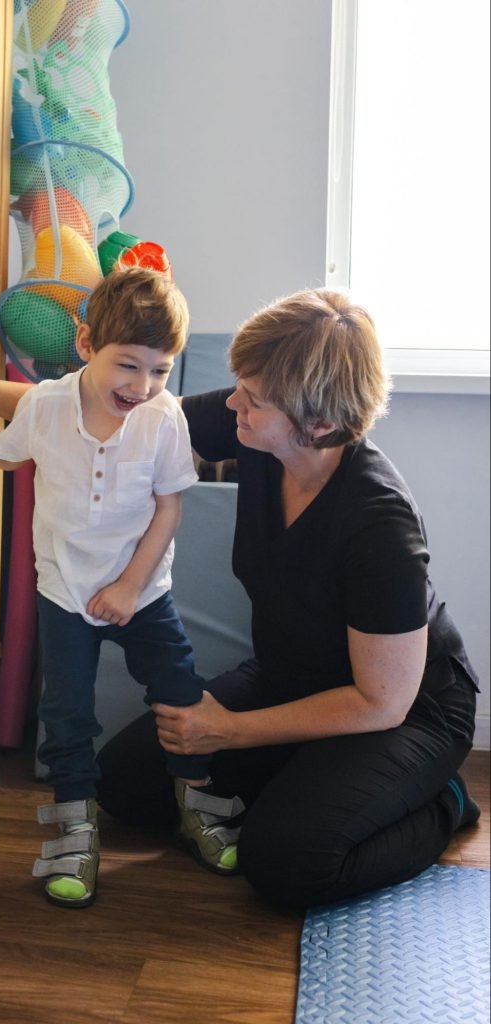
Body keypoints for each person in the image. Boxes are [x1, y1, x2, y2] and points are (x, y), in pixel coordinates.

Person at [94, 287, 480, 909]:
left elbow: (381, 700)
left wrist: (230, 731)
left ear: (319, 422)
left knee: (287, 865)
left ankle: (443, 801)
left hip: (406, 711)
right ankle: (307, 775)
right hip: (290, 678)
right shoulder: (262, 431)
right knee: (125, 784)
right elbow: (113, 411)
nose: (232, 404)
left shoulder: (379, 523)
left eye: (253, 398)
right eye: (239, 386)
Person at [0, 268, 244, 909]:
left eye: (160, 370)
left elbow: (169, 509)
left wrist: (132, 586)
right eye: (128, 366)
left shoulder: (163, 418)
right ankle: (75, 829)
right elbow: (2, 456)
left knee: (178, 691)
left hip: (144, 592)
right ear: (85, 345)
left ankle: (198, 803)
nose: (142, 386)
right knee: (66, 713)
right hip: (65, 592)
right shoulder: (48, 405)